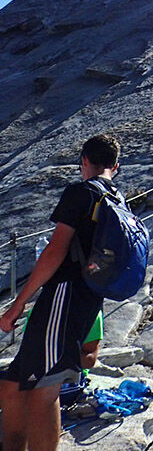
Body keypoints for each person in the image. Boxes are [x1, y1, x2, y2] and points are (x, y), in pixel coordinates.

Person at [0, 134, 119, 450]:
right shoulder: (117, 199)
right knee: (12, 384)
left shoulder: (82, 193)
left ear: (84, 163)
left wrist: (18, 304)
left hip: (64, 297)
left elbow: (54, 251)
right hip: (87, 298)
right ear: (115, 166)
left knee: (44, 388)